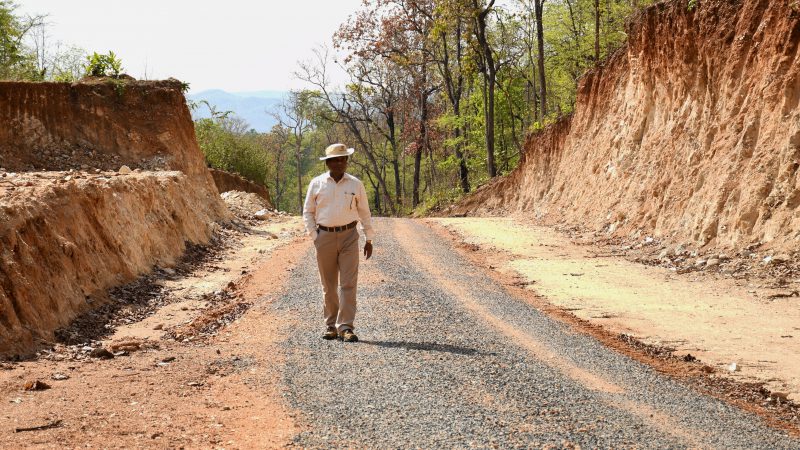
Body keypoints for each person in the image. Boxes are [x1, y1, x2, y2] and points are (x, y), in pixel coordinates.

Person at [302, 143, 374, 343]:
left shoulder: (355, 184)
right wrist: (314, 236)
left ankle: (346, 327)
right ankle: (330, 325)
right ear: (328, 163)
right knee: (329, 285)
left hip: (349, 236)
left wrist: (369, 238)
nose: (340, 163)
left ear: (347, 161)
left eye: (343, 159)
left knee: (349, 284)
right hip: (323, 236)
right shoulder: (317, 184)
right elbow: (308, 212)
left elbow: (364, 212)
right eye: (335, 159)